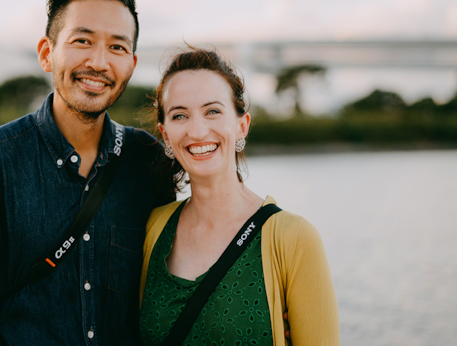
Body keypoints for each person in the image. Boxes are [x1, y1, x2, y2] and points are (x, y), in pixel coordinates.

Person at [0, 0, 174, 345]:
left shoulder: (147, 161)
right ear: (46, 53)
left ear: (131, 66)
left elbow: (173, 280)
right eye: (82, 41)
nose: (99, 62)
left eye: (117, 47)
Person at [138, 47, 340, 345]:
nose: (197, 131)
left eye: (213, 111)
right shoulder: (153, 228)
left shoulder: (294, 239)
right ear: (166, 135)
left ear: (241, 125)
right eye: (179, 115)